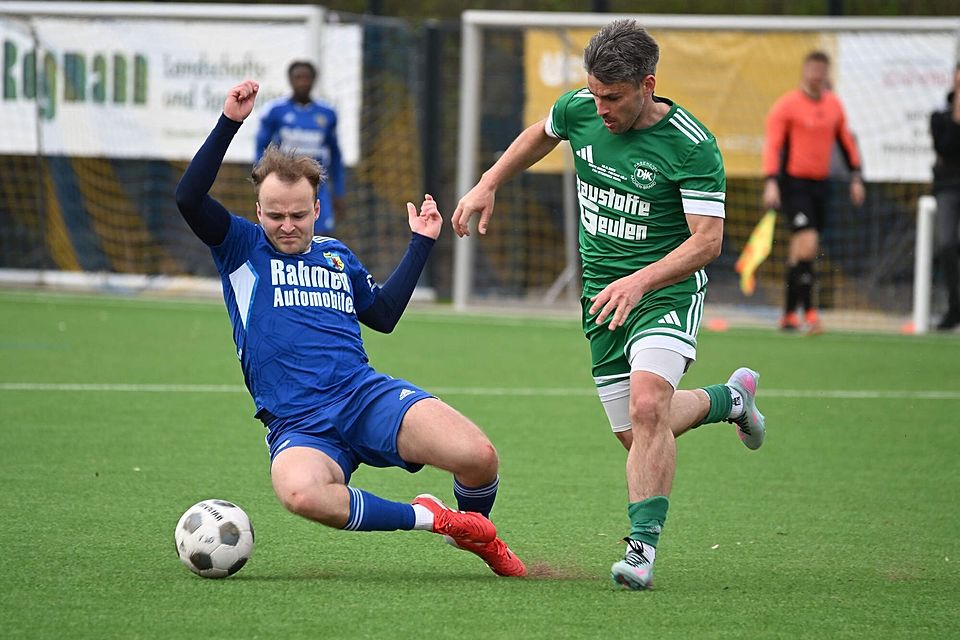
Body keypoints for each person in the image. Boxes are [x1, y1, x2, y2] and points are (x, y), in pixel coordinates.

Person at [451, 20, 766, 590]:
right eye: (594, 95)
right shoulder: (582, 108)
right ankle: (729, 400)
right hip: (602, 296)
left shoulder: (692, 145)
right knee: (640, 432)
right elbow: (541, 133)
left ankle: (640, 550)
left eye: (612, 99)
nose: (600, 110)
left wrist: (642, 281)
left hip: (664, 290)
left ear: (647, 84)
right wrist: (489, 181)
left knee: (649, 408)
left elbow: (708, 241)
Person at [175, 80, 525, 578]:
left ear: (317, 209)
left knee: (479, 457)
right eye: (274, 215)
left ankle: (476, 532)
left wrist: (420, 244)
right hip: (298, 424)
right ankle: (432, 518)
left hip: (365, 397)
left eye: (298, 214)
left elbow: (381, 316)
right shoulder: (240, 247)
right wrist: (230, 121)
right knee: (300, 493)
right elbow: (189, 197)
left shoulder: (336, 254)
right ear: (258, 212)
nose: (287, 225)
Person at [762, 50, 865, 334]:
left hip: (822, 186)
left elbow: (846, 144)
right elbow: (773, 145)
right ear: (805, 72)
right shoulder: (787, 106)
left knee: (800, 251)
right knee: (807, 243)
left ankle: (787, 315)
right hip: (794, 184)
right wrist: (771, 180)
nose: (817, 75)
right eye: (813, 69)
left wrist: (856, 177)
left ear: (826, 74)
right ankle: (809, 312)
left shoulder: (834, 106)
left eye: (822, 70)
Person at [255, 61, 344, 234]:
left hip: (318, 185)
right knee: (284, 229)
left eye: (307, 78)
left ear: (313, 80)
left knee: (321, 233)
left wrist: (339, 192)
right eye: (298, 77)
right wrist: (262, 182)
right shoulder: (275, 111)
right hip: (284, 182)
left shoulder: (327, 113)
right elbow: (261, 149)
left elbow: (335, 155)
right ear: (290, 80)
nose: (303, 82)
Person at [929, 64, 960, 331]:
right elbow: (947, 147)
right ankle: (954, 307)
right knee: (948, 243)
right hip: (949, 187)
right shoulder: (939, 118)